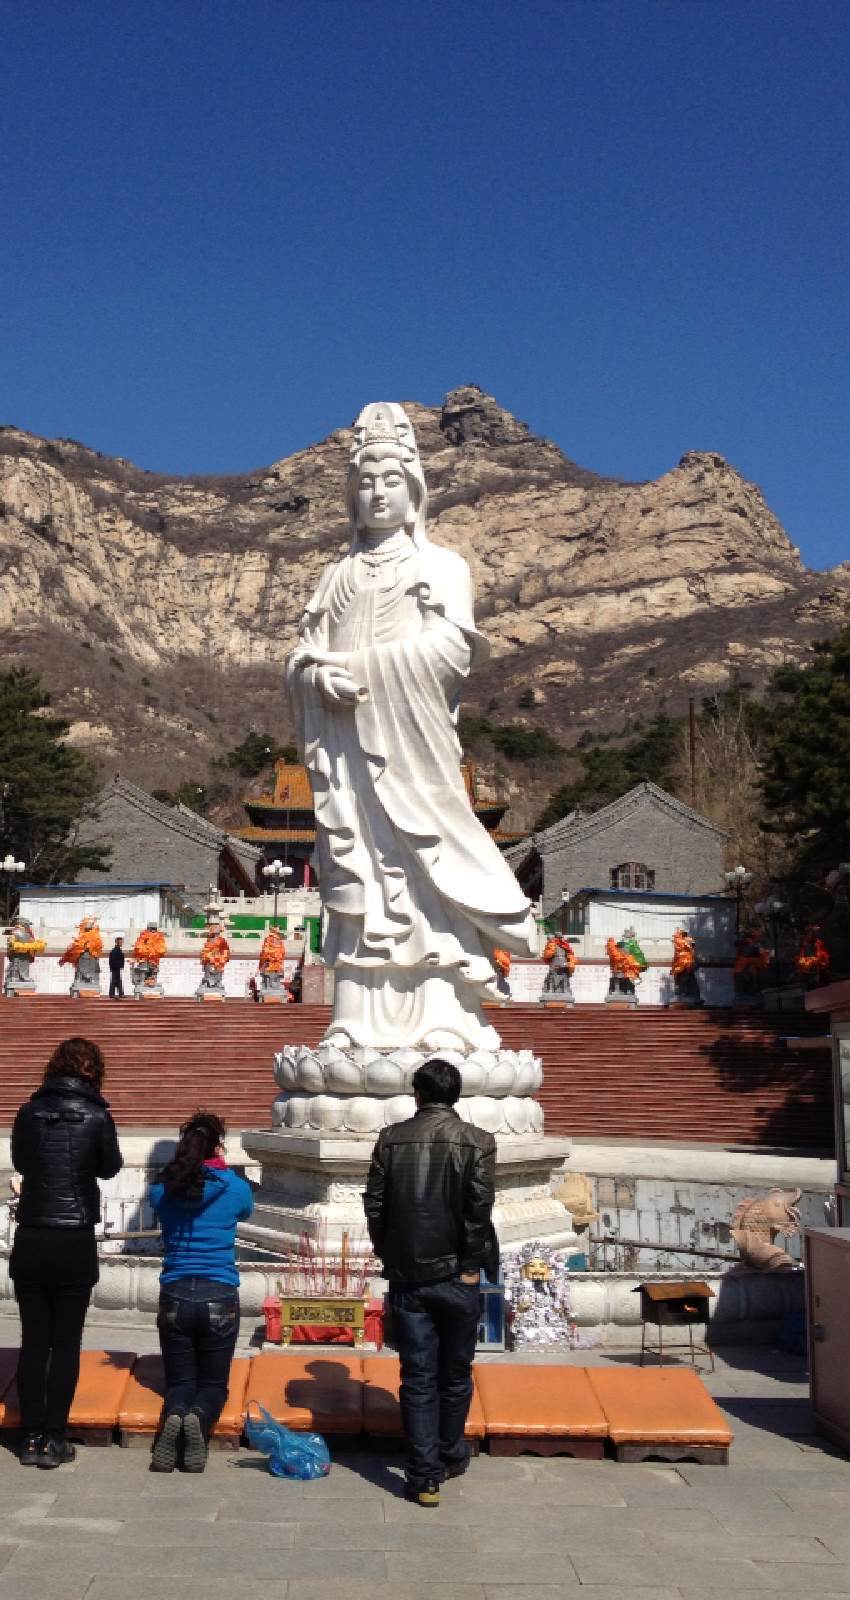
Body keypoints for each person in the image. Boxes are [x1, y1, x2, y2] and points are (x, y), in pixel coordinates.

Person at [286, 402, 538, 1055]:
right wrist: (318, 680)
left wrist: (358, 670)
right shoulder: (334, 575)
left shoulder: (442, 566)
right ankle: (355, 1016)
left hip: (412, 753)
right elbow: (302, 659)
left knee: (424, 874)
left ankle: (444, 1013)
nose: (376, 493)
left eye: (389, 481)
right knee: (357, 874)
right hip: (348, 759)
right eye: (364, 482)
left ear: (414, 491)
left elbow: (452, 654)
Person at [362, 1058, 496, 1508]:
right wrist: (471, 1264)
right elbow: (478, 1212)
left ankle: (424, 1476)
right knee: (454, 1372)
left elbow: (375, 1207)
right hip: (458, 1274)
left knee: (418, 1376)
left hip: (409, 1274)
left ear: (417, 1094)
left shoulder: (391, 1139)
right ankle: (448, 1452)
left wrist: (389, 1254)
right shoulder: (477, 1142)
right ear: (454, 1095)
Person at [10, 1036, 123, 1468]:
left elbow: (22, 1162)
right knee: (66, 1342)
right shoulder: (97, 1115)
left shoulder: (29, 1111)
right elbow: (110, 1167)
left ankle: (31, 1435)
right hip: (74, 1234)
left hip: (33, 1232)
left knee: (34, 1342)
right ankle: (55, 1437)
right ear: (93, 1070)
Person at [148, 1111, 253, 1473]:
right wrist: (221, 1167)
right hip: (219, 1293)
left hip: (175, 1292)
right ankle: (199, 1418)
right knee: (213, 1383)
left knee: (180, 1381)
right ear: (218, 1146)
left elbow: (165, 1199)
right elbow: (246, 1210)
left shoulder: (162, 1189)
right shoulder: (234, 1186)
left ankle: (176, 1413)